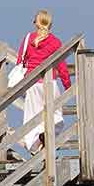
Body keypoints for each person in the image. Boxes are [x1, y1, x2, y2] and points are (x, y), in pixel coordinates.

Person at [15, 9, 72, 154]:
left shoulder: (29, 38)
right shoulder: (55, 42)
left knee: (32, 118)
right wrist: (67, 86)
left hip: (33, 84)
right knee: (56, 115)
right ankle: (45, 139)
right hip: (50, 84)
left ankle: (37, 146)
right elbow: (62, 66)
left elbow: (20, 61)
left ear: (36, 23)